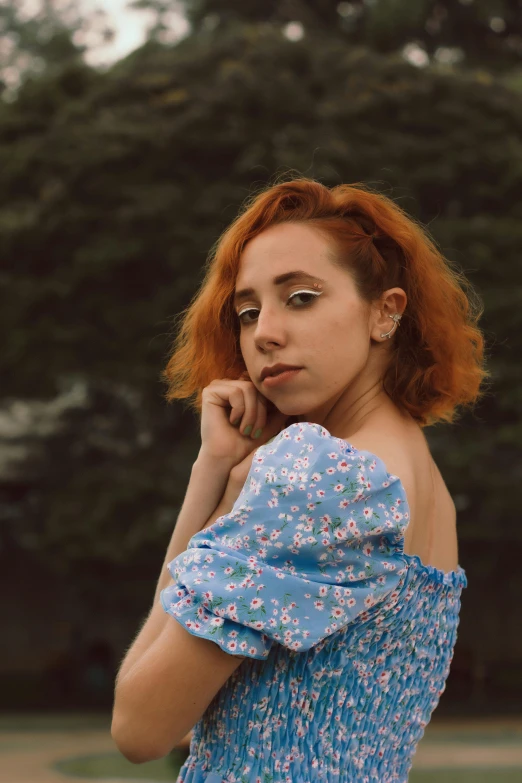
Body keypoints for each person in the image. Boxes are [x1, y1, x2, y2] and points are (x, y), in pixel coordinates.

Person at [112, 178, 489, 782]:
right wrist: (219, 473)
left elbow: (139, 728)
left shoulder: (322, 478)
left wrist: (216, 487)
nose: (263, 333)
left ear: (385, 311)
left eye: (302, 297)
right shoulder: (413, 477)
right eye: (247, 312)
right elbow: (191, 715)